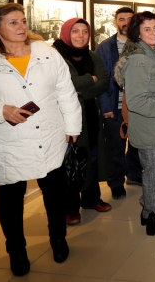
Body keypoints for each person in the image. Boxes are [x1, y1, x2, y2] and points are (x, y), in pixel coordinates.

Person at [0, 3, 82, 276]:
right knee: (11, 202)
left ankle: (58, 239)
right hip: (7, 143)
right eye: (12, 22)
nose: (21, 26)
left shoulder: (47, 54)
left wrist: (73, 126)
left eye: (23, 20)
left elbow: (66, 92)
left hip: (49, 137)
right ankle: (16, 250)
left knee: (55, 196)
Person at [115, 12, 155, 237]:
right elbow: (136, 101)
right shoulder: (139, 60)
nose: (153, 32)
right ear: (137, 33)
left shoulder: (153, 53)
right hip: (150, 128)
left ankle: (149, 210)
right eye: (147, 29)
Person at [52, 18, 113, 226]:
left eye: (85, 31)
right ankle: (70, 207)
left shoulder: (92, 55)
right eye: (75, 31)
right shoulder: (54, 56)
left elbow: (103, 82)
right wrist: (89, 79)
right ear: (66, 33)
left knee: (91, 159)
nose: (81, 36)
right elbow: (62, 85)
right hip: (65, 120)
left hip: (90, 117)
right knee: (70, 163)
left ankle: (91, 199)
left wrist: (78, 90)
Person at [96, 7, 142, 199]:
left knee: (137, 144)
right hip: (115, 106)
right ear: (116, 22)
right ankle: (116, 182)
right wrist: (106, 107)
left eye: (129, 19)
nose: (125, 23)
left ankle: (134, 175)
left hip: (137, 105)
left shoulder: (141, 44)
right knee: (116, 147)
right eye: (121, 19)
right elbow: (101, 80)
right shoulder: (105, 47)